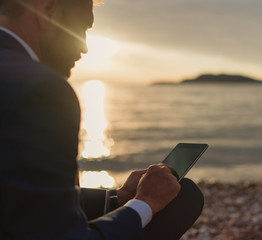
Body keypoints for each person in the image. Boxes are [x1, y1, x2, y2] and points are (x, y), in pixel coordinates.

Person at [0, 0, 204, 239]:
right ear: (47, 11)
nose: (85, 47)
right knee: (185, 197)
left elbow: (20, 193)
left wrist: (117, 198)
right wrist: (145, 203)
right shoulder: (40, 89)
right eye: (83, 28)